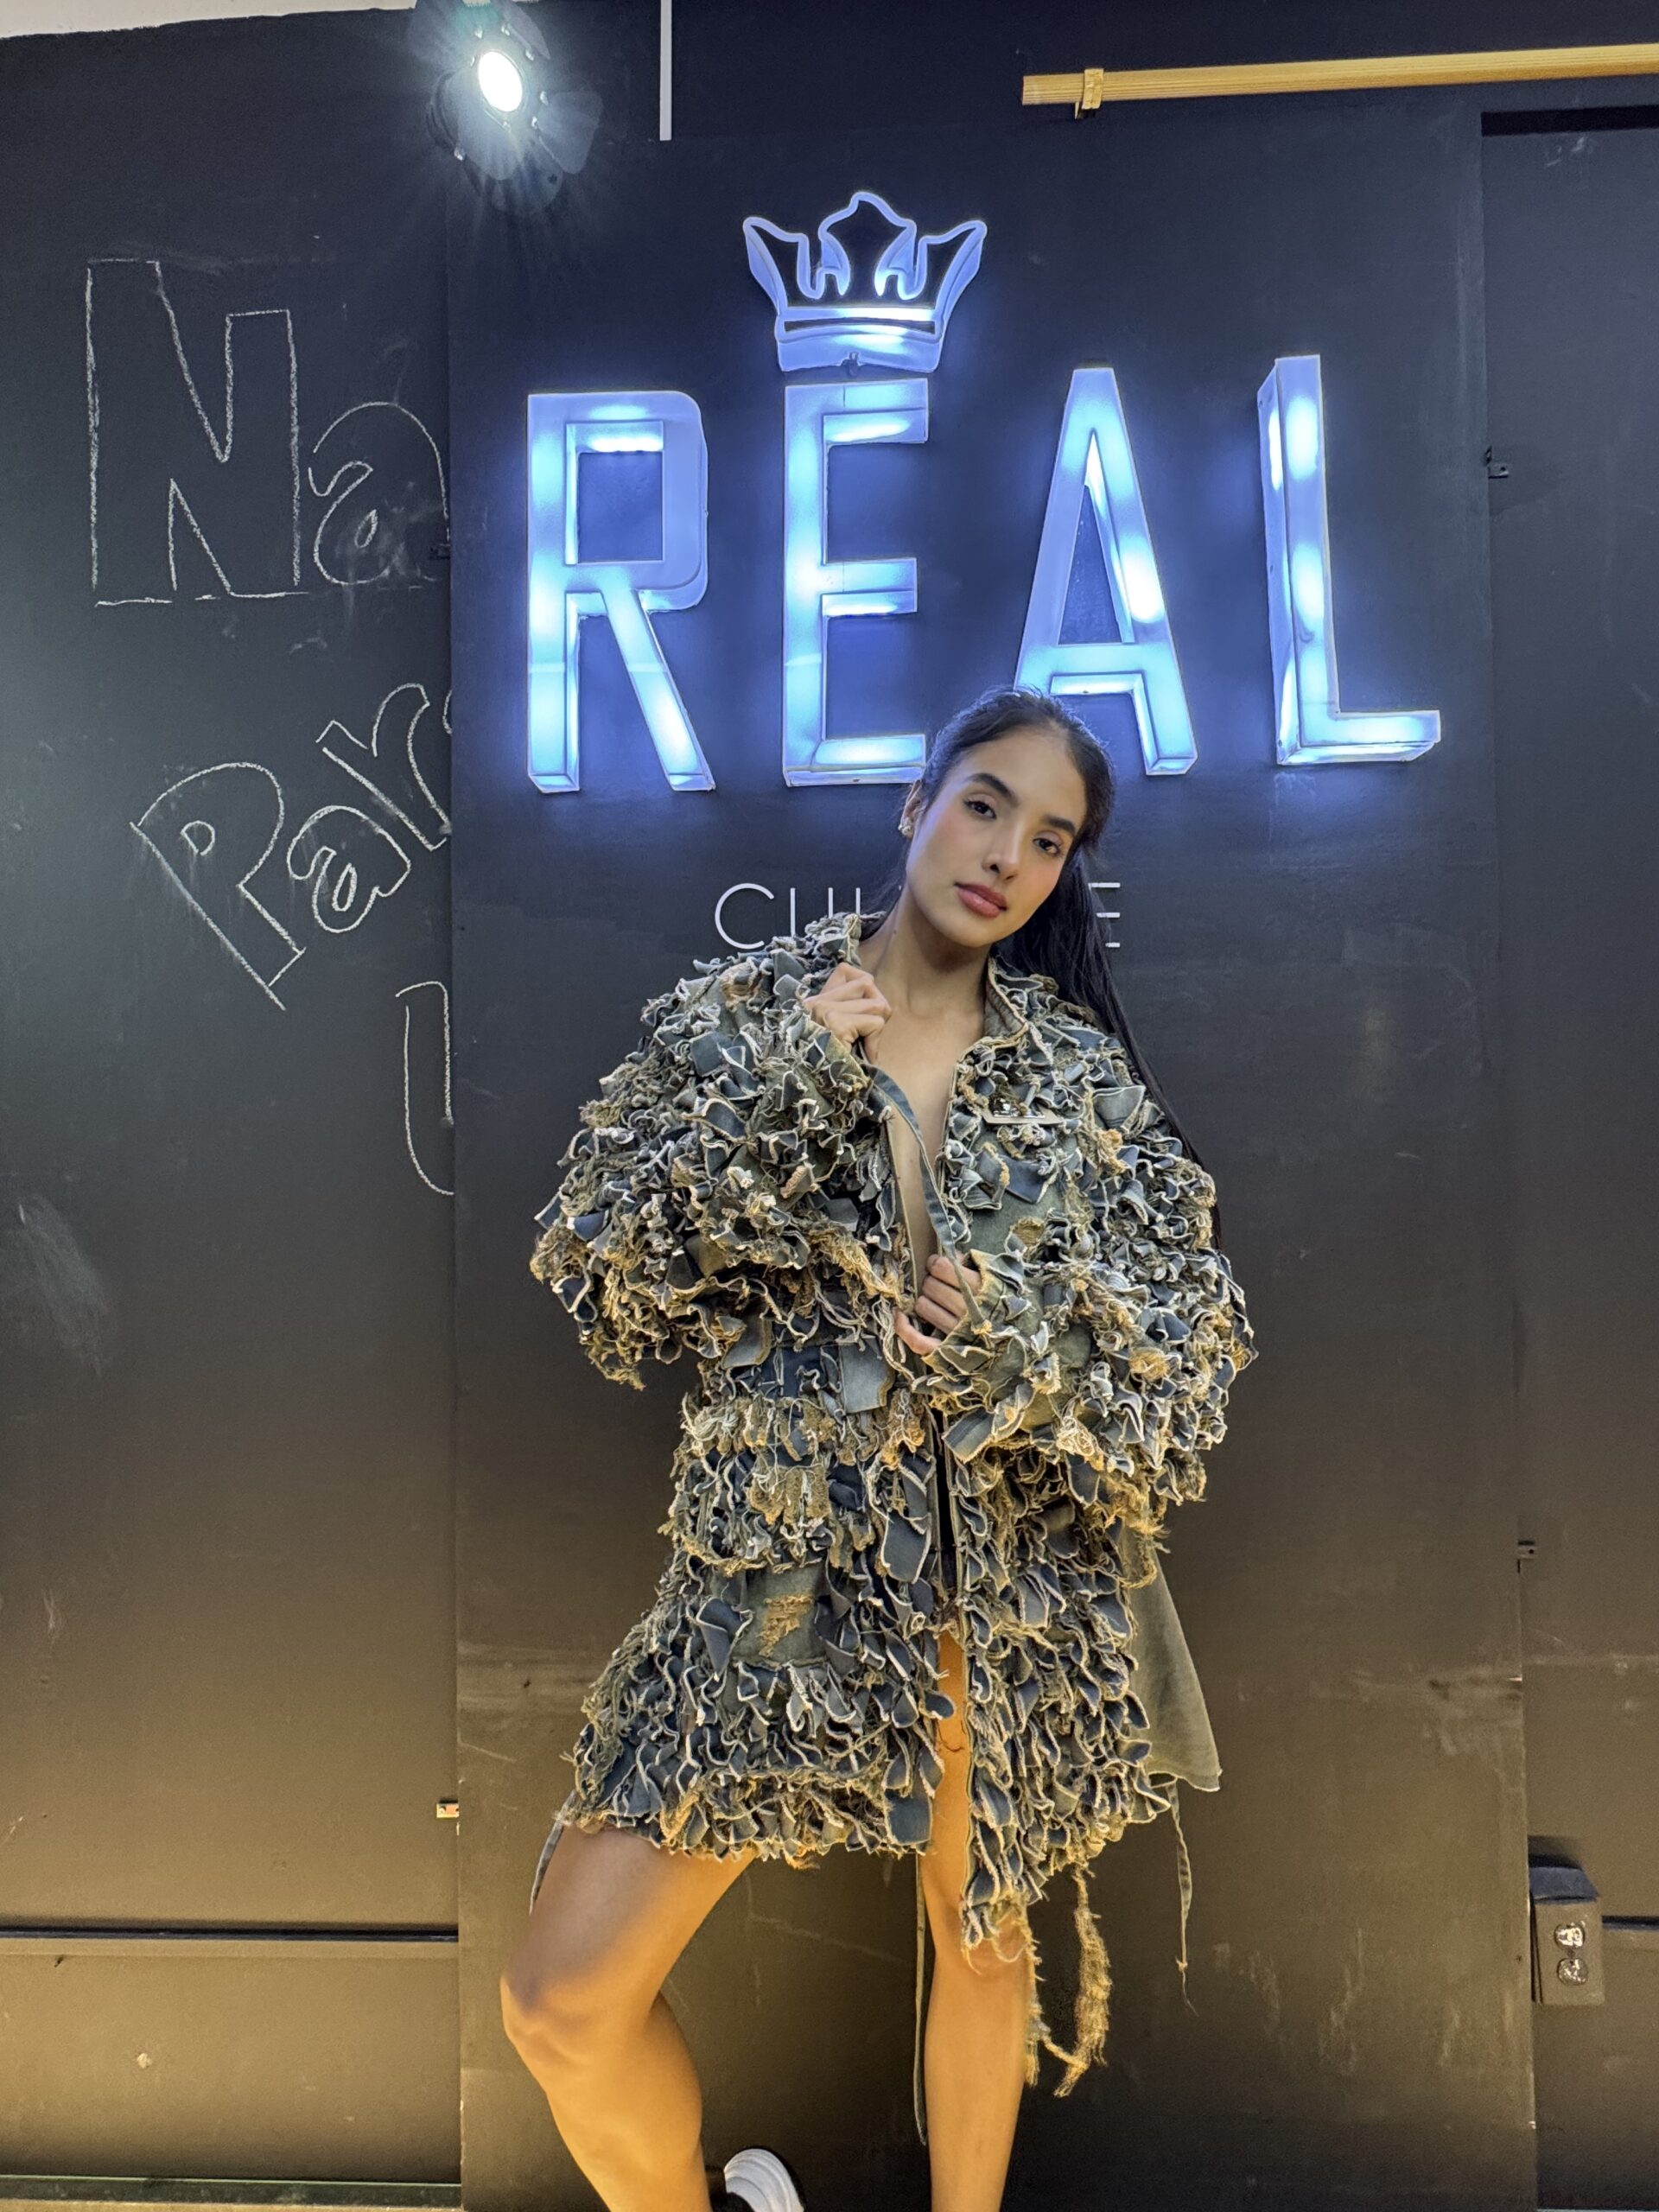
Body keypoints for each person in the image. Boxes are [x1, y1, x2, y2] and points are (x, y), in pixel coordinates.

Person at [499, 686, 1258, 2212]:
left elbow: (1187, 1357)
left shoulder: (1075, 1081)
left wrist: (1012, 1345)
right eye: (984, 805)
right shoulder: (751, 1012)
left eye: (1050, 839)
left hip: (996, 1580)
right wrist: (786, 1078)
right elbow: (607, 1272)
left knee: (981, 1942)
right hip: (773, 1571)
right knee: (561, 2003)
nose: (1007, 855)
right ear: (916, 805)